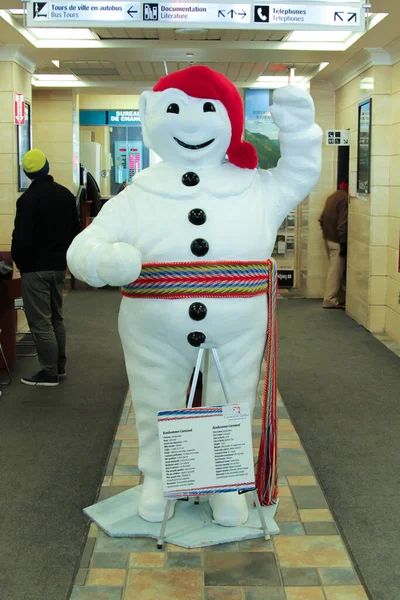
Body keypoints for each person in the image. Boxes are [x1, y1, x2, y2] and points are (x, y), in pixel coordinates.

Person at [11, 149, 80, 386]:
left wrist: (23, 265)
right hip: (58, 267)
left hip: (35, 269)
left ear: (27, 173)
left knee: (40, 321)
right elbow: (75, 231)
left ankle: (49, 372)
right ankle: (59, 366)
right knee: (56, 318)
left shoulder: (27, 200)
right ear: (48, 167)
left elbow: (20, 239)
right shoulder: (66, 196)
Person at [319, 181, 349, 309]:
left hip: (328, 238)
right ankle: (330, 300)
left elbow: (321, 219)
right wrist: (342, 243)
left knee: (338, 270)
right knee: (335, 272)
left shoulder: (332, 197)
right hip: (337, 241)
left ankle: (341, 298)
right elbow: (342, 224)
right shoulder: (344, 199)